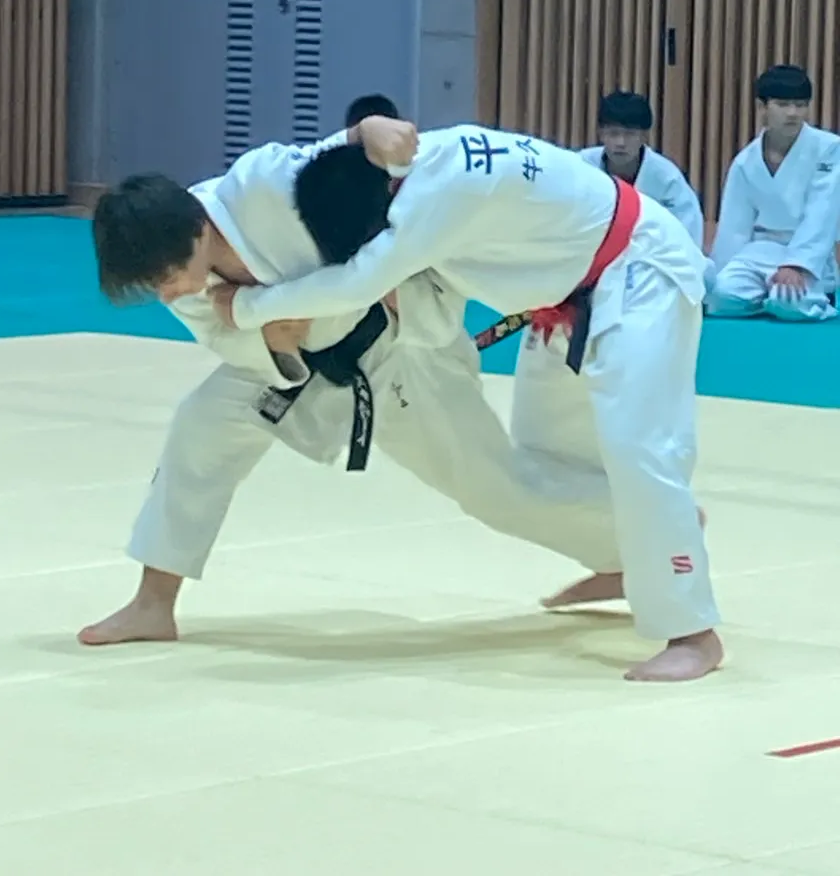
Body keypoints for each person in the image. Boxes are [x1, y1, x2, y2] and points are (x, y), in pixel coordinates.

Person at [77, 120, 632, 662]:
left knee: (495, 490)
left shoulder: (260, 184)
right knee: (201, 426)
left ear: (197, 231)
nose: (168, 294)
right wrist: (270, 338)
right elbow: (228, 339)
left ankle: (636, 546)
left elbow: (333, 160)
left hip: (398, 351)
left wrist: (364, 130)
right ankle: (153, 603)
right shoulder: (181, 275)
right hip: (295, 364)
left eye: (167, 277)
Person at [212, 126, 723, 683]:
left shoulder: (431, 197)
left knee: (639, 447)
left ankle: (693, 632)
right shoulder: (393, 166)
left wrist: (244, 306)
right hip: (568, 292)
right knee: (547, 450)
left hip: (639, 270)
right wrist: (362, 128)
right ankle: (626, 557)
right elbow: (316, 168)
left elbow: (356, 283)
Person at [707, 65, 840, 322]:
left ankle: (799, 295)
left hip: (807, 255)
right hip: (759, 252)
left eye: (800, 105)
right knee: (720, 296)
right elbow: (734, 227)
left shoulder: (830, 149)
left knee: (788, 301)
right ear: (762, 107)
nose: (793, 113)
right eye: (783, 104)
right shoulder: (746, 161)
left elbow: (822, 213)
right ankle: (767, 295)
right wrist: (722, 272)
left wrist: (797, 264)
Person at [580, 90, 704, 248]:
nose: (620, 142)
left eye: (630, 134)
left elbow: (689, 236)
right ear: (601, 134)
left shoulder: (667, 178)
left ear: (644, 136)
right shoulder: (581, 165)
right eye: (613, 133)